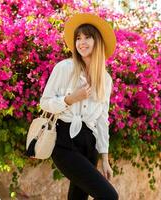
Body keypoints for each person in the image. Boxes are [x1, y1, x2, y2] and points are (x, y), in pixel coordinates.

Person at [40, 13, 118, 200]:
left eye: (87, 37)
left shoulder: (105, 80)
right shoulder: (64, 68)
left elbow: (102, 120)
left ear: (97, 41)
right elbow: (45, 103)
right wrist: (70, 99)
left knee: (78, 198)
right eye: (78, 38)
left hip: (88, 144)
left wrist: (105, 158)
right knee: (109, 196)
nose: (81, 42)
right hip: (64, 141)